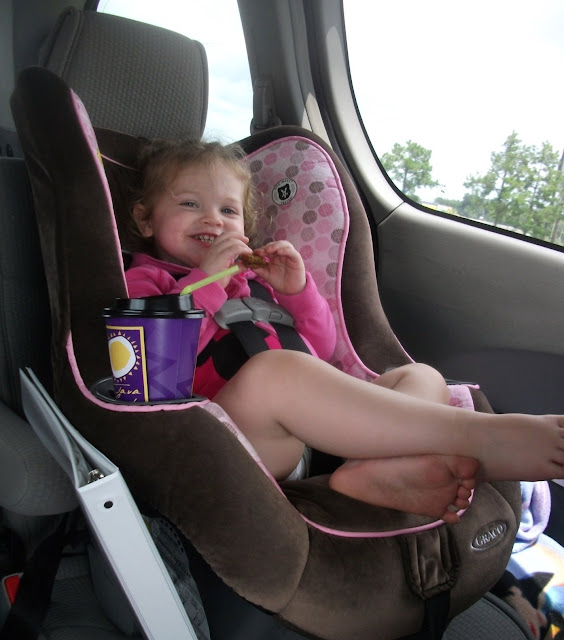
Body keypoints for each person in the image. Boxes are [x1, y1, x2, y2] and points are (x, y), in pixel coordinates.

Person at [125, 139, 564, 525]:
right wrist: (206, 281)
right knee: (273, 373)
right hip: (234, 443)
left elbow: (321, 350)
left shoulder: (255, 282)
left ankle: (382, 472)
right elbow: (150, 370)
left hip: (319, 438)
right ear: (145, 220)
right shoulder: (146, 282)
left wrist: (297, 293)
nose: (213, 220)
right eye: (190, 204)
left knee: (421, 376)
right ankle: (476, 435)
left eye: (228, 210)